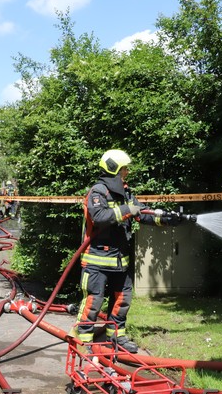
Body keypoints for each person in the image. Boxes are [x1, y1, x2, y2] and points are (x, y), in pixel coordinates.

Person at [76, 149, 185, 353]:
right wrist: (127, 210)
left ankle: (116, 337)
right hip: (96, 260)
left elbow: (142, 214)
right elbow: (99, 217)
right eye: (124, 168)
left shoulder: (125, 192)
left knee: (122, 300)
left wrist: (166, 220)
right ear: (114, 169)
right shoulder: (98, 192)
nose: (127, 172)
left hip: (119, 260)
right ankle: (83, 343)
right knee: (93, 302)